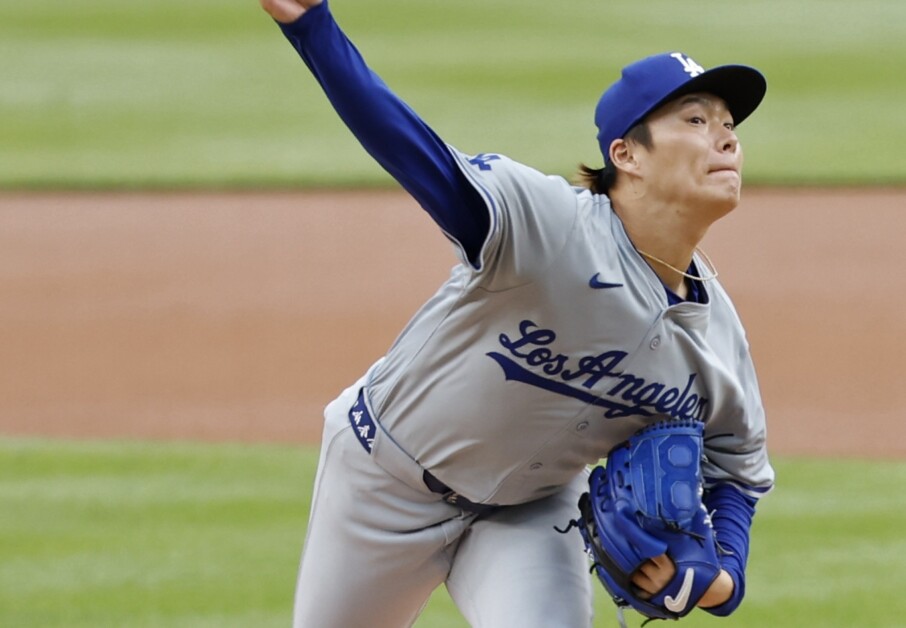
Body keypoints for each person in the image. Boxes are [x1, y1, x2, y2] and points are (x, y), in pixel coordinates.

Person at [259, 1, 775, 626]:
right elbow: (417, 154)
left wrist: (719, 579)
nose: (726, 137)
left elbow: (738, 475)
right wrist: (311, 26)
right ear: (627, 155)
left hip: (531, 509)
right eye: (695, 119)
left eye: (728, 125)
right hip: (383, 481)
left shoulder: (717, 338)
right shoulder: (549, 226)